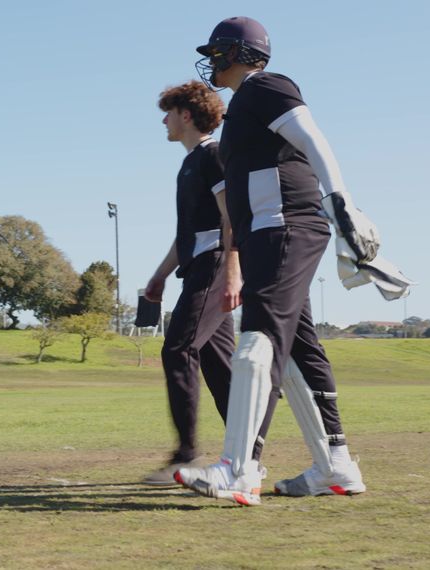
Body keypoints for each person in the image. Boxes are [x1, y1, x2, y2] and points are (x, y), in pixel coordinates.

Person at [175, 16, 374, 505]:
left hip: (285, 228)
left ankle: (238, 470)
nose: (211, 60)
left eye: (217, 51)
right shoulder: (245, 102)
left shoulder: (266, 86)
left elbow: (313, 138)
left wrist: (341, 199)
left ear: (236, 53)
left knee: (255, 343)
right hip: (271, 233)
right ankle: (335, 468)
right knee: (298, 356)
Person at [142, 80, 275, 485]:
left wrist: (233, 272)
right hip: (198, 266)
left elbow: (231, 216)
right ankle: (246, 458)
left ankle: (186, 456)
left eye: (169, 111)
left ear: (186, 115)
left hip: (215, 267)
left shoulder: (213, 155)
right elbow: (189, 234)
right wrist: (160, 275)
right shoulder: (188, 163)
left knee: (178, 349)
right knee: (220, 370)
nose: (164, 120)